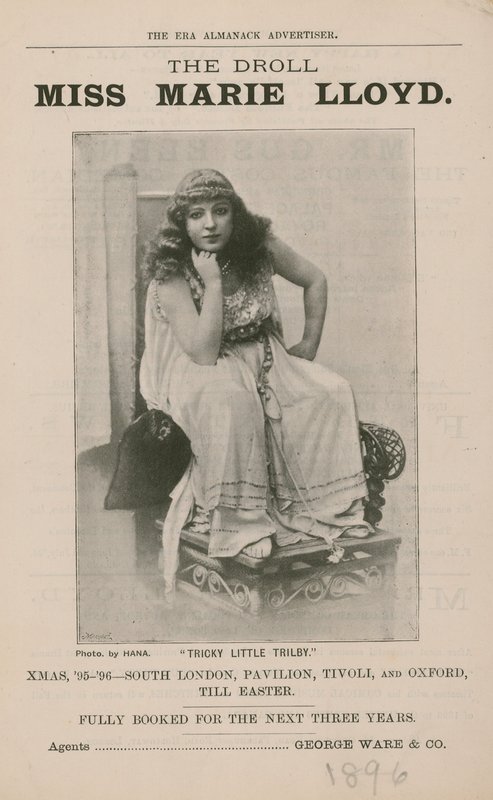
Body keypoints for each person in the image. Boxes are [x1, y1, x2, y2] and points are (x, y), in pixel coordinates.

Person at [139, 169, 371, 594]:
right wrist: (211, 282)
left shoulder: (258, 246)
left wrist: (309, 343)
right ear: (182, 222)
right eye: (196, 215)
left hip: (264, 355)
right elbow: (203, 351)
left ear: (236, 213)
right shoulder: (171, 271)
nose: (210, 224)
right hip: (202, 368)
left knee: (332, 393)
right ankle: (241, 526)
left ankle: (334, 509)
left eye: (220, 211)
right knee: (233, 402)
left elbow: (315, 279)